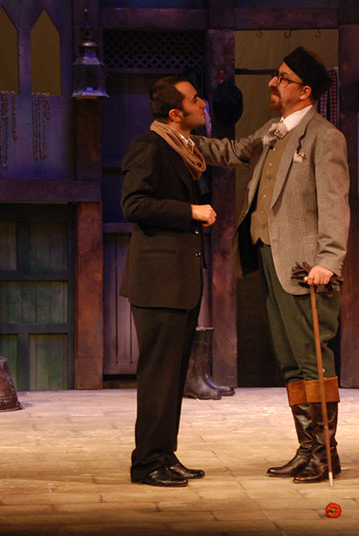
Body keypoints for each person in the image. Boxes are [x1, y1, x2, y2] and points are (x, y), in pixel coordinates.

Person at [195, 46, 350, 484]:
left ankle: (326, 453)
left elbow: (335, 204)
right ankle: (308, 448)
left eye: (282, 78)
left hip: (305, 266)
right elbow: (231, 151)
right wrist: (182, 140)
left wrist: (329, 260)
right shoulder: (273, 130)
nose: (272, 83)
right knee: (290, 360)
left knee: (313, 359)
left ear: (305, 90)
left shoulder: (325, 137)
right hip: (268, 256)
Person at [120, 75, 254, 487]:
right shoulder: (150, 146)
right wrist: (190, 211)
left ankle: (164, 454)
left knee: (173, 376)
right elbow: (134, 203)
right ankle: (146, 463)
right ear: (176, 113)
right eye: (196, 100)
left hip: (177, 281)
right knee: (158, 376)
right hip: (157, 282)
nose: (204, 105)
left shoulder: (184, 148)